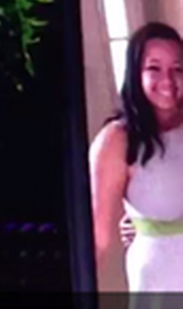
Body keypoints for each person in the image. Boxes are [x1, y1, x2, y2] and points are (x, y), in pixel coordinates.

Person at [89, 21, 183, 291]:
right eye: (154, 68)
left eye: (178, 69)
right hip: (160, 281)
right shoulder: (116, 140)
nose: (168, 80)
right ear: (135, 73)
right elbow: (97, 239)